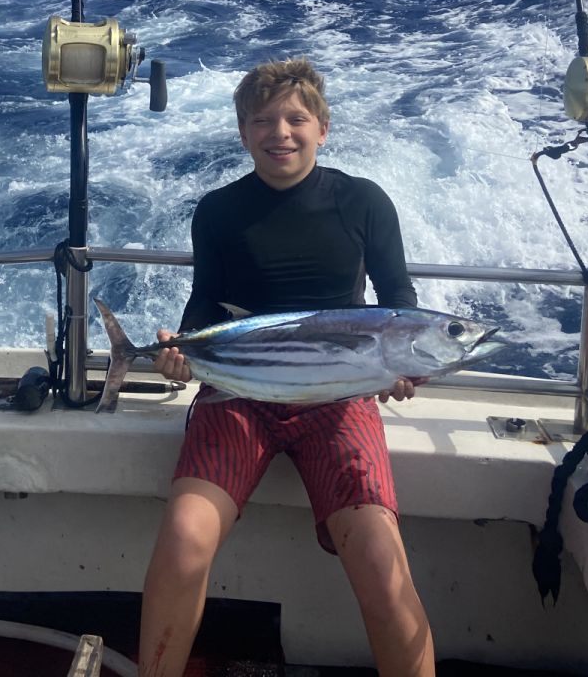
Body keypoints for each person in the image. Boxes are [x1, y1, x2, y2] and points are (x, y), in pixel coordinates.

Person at [139, 58, 436, 677]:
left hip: (340, 397)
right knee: (184, 541)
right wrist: (181, 351)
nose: (281, 133)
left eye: (297, 119)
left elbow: (399, 303)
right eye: (263, 121)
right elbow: (204, 304)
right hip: (238, 396)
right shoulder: (218, 210)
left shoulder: (363, 201)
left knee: (380, 561)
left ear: (323, 128)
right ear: (243, 133)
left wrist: (404, 368)